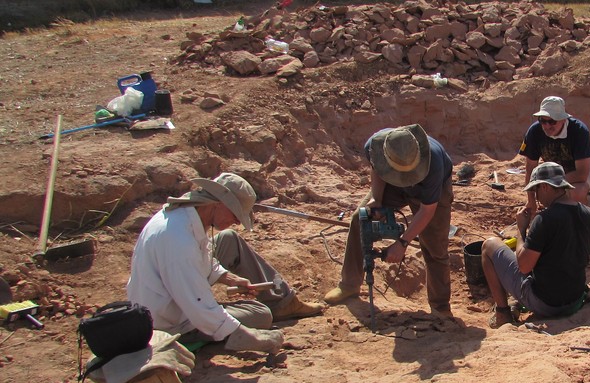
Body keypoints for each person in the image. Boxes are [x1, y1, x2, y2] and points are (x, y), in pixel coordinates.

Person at [127, 173, 323, 353]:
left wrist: (231, 279)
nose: (238, 222)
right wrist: (248, 337)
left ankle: (283, 303)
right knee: (260, 314)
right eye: (236, 215)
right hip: (170, 321)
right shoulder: (179, 241)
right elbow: (198, 305)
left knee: (229, 238)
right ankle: (207, 333)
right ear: (217, 204)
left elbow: (203, 259)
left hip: (176, 294)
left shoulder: (187, 216)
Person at [323, 124, 454, 317]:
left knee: (435, 246)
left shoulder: (433, 162)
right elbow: (377, 169)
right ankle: (349, 284)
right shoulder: (374, 146)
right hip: (391, 183)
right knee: (360, 218)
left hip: (429, 190)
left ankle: (440, 306)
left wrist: (402, 243)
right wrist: (377, 198)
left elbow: (427, 210)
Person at [481, 162, 590, 329]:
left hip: (547, 303)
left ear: (545, 187)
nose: (536, 197)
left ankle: (502, 313)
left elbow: (524, 266)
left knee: (489, 246)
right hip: (575, 299)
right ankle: (513, 304)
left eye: (535, 190)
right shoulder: (588, 213)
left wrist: (521, 229)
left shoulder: (545, 219)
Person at [518, 96, 590, 215]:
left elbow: (581, 174)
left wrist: (554, 184)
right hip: (557, 173)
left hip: (585, 169)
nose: (547, 126)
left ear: (563, 119)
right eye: (543, 120)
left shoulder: (579, 131)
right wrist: (531, 201)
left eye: (552, 121)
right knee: (546, 195)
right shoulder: (534, 132)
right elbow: (530, 169)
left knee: (574, 194)